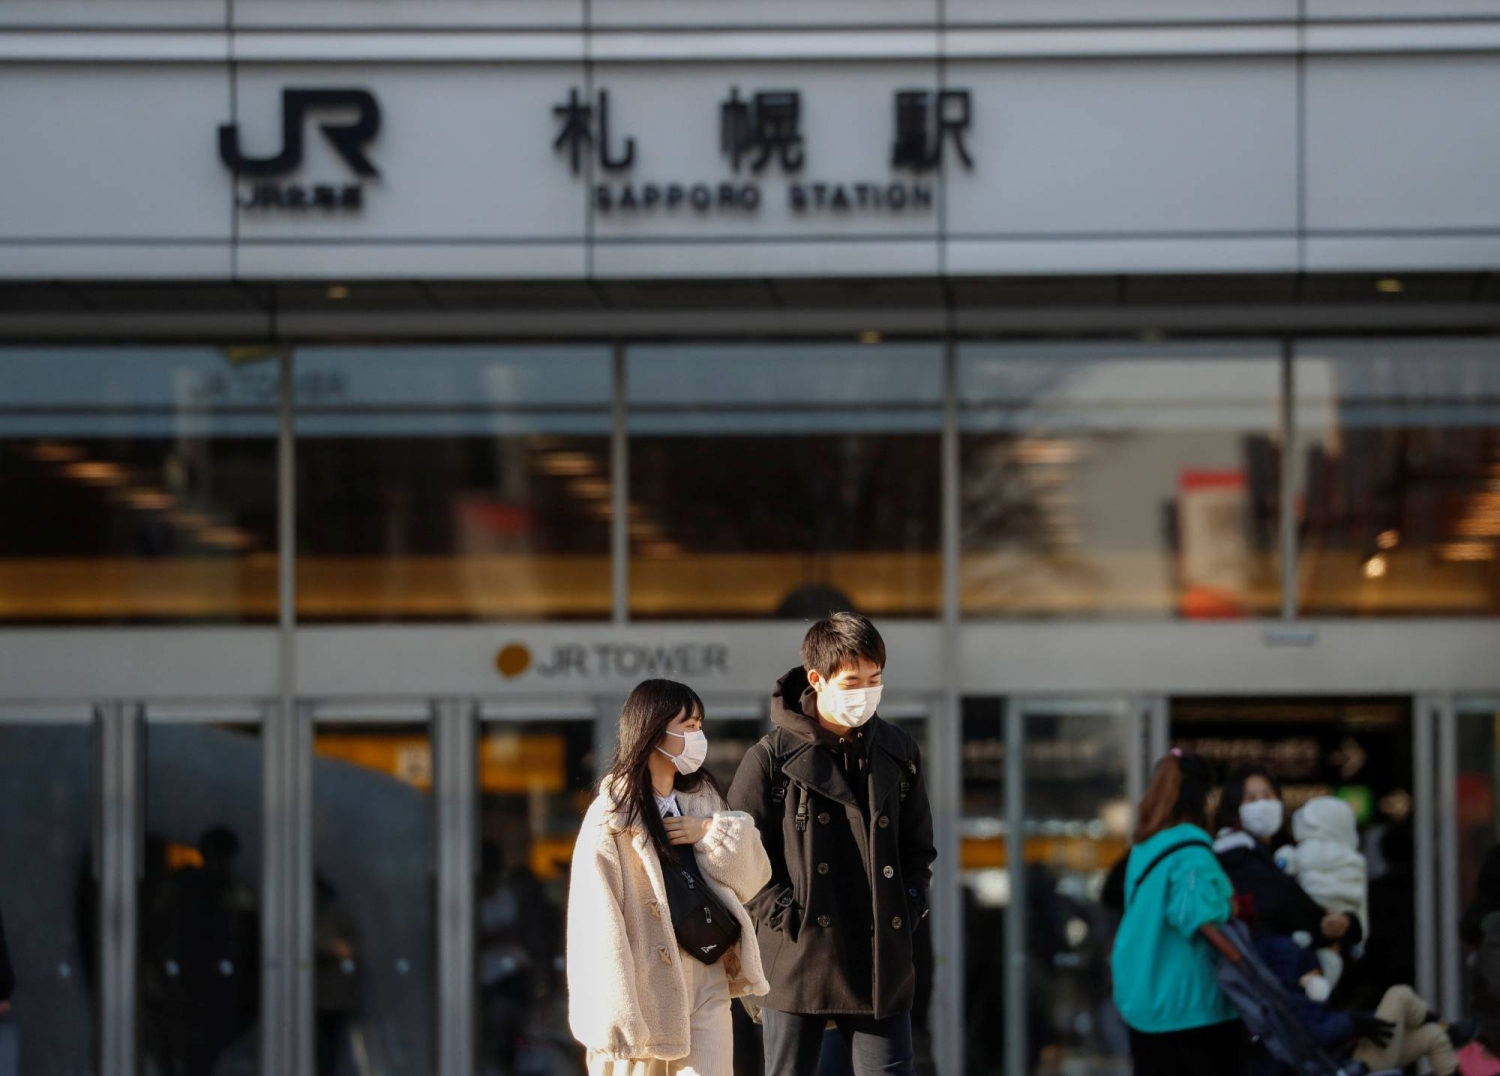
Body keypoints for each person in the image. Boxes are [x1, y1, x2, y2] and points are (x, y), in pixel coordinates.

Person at [728, 612, 935, 1076]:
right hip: (800, 954)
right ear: (817, 680)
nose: (865, 693)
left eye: (874, 680)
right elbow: (738, 856)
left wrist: (908, 903)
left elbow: (918, 847)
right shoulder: (770, 758)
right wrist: (785, 914)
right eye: (852, 682)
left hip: (878, 958)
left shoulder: (898, 751)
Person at [567, 679, 772, 1076]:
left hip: (706, 973)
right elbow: (596, 920)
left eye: (700, 726)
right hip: (643, 986)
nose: (698, 737)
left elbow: (751, 879)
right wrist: (614, 1014)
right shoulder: (612, 815)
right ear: (654, 732)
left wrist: (710, 831)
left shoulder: (703, 798)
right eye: (689, 726)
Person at [1110, 750, 1245, 1075]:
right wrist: (1231, 910)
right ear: (1204, 798)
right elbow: (1195, 914)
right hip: (1190, 1006)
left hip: (1143, 1000)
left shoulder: (1143, 849)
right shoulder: (1192, 849)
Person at [1212, 767, 1359, 950]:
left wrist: (1345, 922)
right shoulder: (1234, 855)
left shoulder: (1284, 852)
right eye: (1251, 799)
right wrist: (1323, 923)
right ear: (1234, 808)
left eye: (1268, 796)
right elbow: (1282, 903)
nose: (1262, 805)